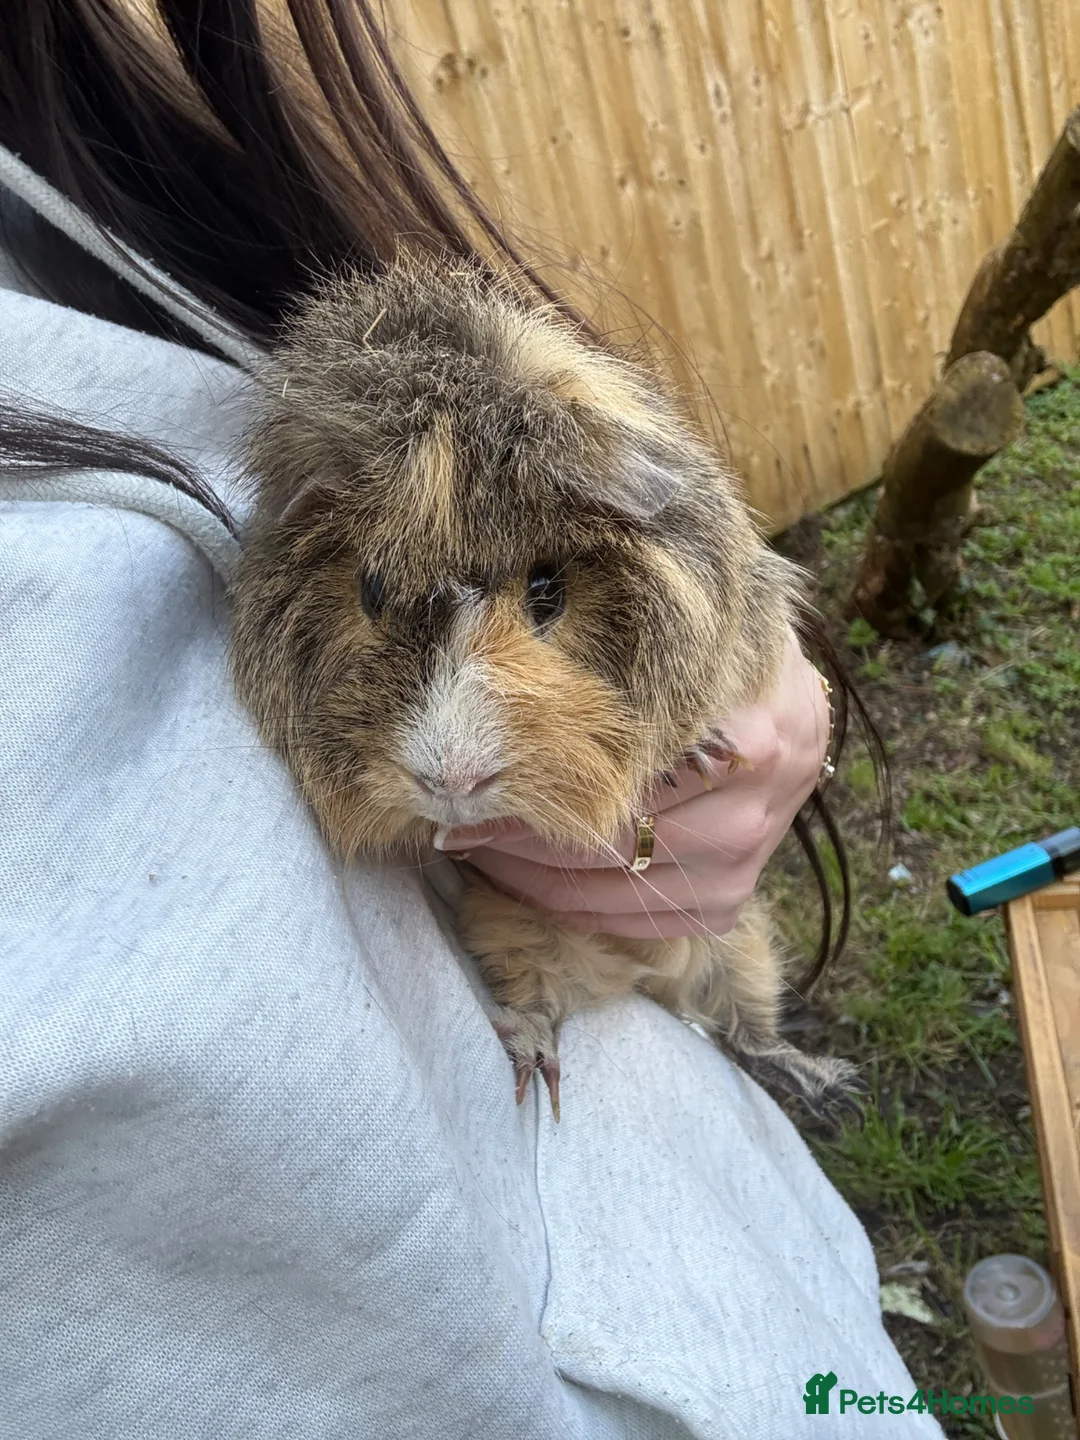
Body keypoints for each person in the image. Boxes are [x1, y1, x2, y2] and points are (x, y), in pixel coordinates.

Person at [0, 4, 941, 1436]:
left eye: (542, 598)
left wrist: (747, 678)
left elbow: (694, 554)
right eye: (380, 595)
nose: (456, 749)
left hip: (779, 1277)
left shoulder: (81, 169)